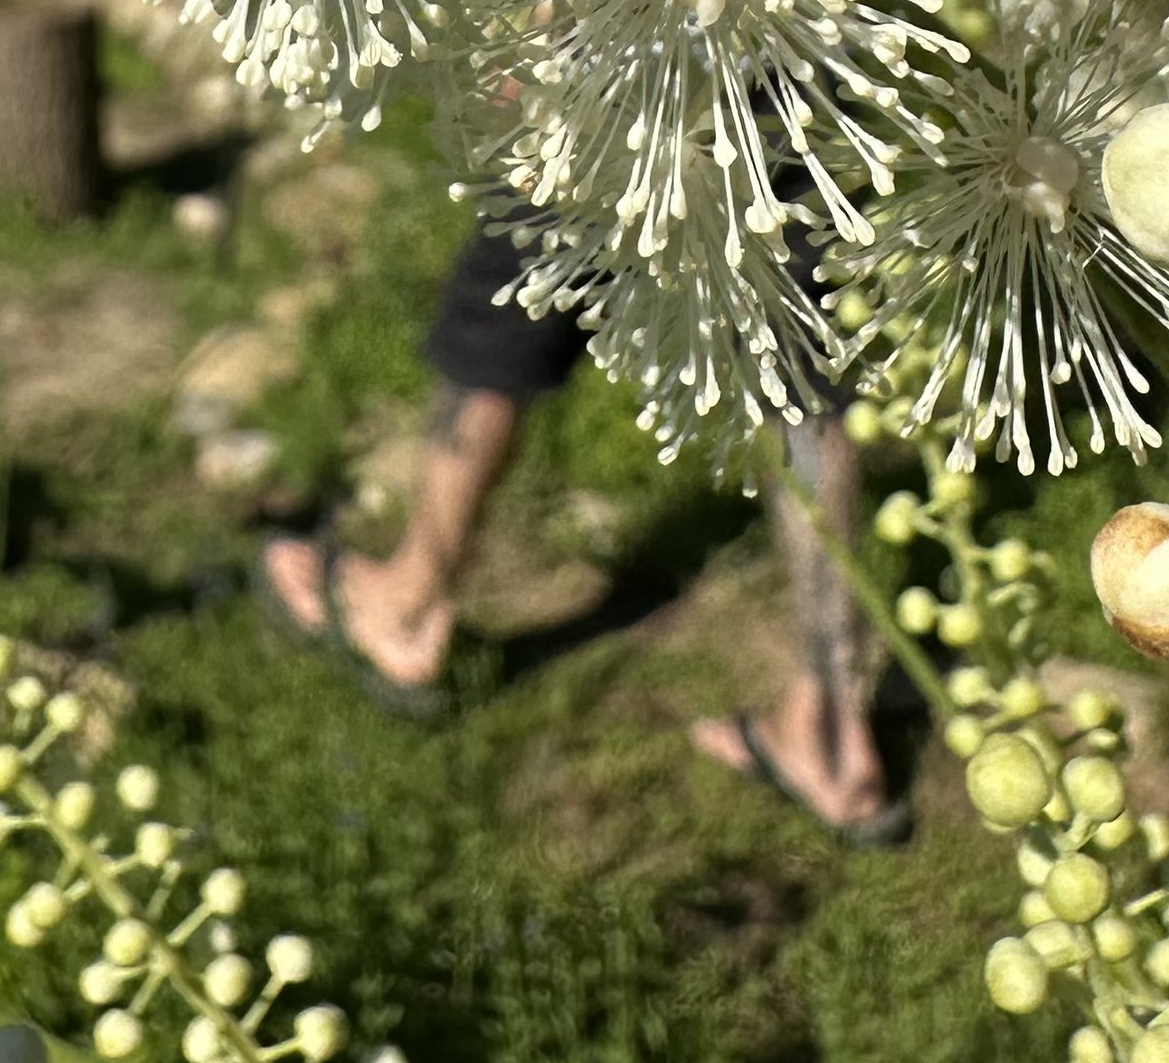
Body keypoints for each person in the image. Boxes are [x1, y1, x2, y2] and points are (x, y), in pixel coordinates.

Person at [255, 218, 908, 844]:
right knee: (793, 320)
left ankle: (407, 604)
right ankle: (828, 727)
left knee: (520, 264)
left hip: (629, 102)